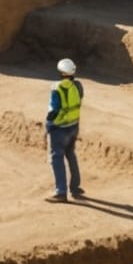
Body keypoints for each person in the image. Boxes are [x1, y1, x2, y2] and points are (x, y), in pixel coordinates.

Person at [45, 57, 85, 203]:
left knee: (57, 158)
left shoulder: (57, 88)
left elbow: (54, 110)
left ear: (61, 72)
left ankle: (61, 192)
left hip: (59, 129)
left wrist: (49, 122)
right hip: (74, 126)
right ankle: (75, 187)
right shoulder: (78, 86)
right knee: (70, 154)